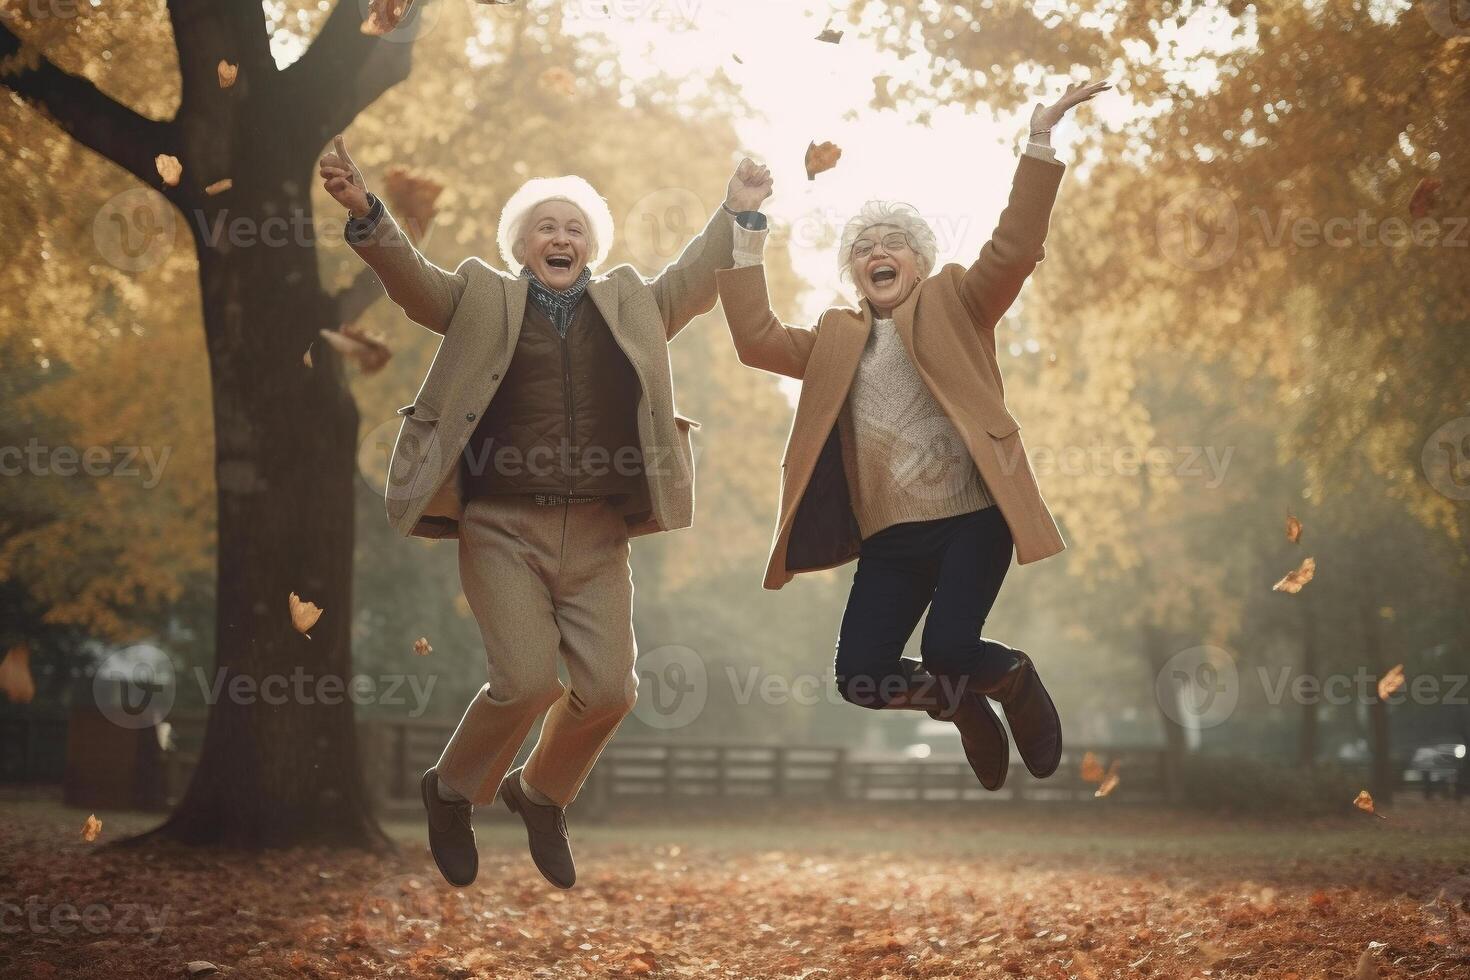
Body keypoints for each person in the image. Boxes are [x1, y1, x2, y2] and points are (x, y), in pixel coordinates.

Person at [319, 136, 772, 887]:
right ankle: (452, 789)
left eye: (574, 229)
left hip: (597, 529)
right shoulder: (481, 295)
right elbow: (414, 285)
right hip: (502, 523)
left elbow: (694, 281)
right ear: (521, 244)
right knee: (526, 681)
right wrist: (366, 210)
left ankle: (539, 793)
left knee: (611, 690)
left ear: (590, 245)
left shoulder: (630, 300)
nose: (561, 238)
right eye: (546, 227)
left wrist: (738, 212)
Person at [714, 80, 1109, 791]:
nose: (877, 252)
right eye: (863, 247)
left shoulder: (959, 300)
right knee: (860, 678)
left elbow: (1016, 247)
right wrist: (744, 223)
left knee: (952, 646)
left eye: (893, 242)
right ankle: (964, 708)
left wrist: (1041, 143)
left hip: (971, 520)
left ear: (919, 261)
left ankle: (1012, 678)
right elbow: (755, 338)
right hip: (891, 540)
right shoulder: (836, 338)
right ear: (855, 273)